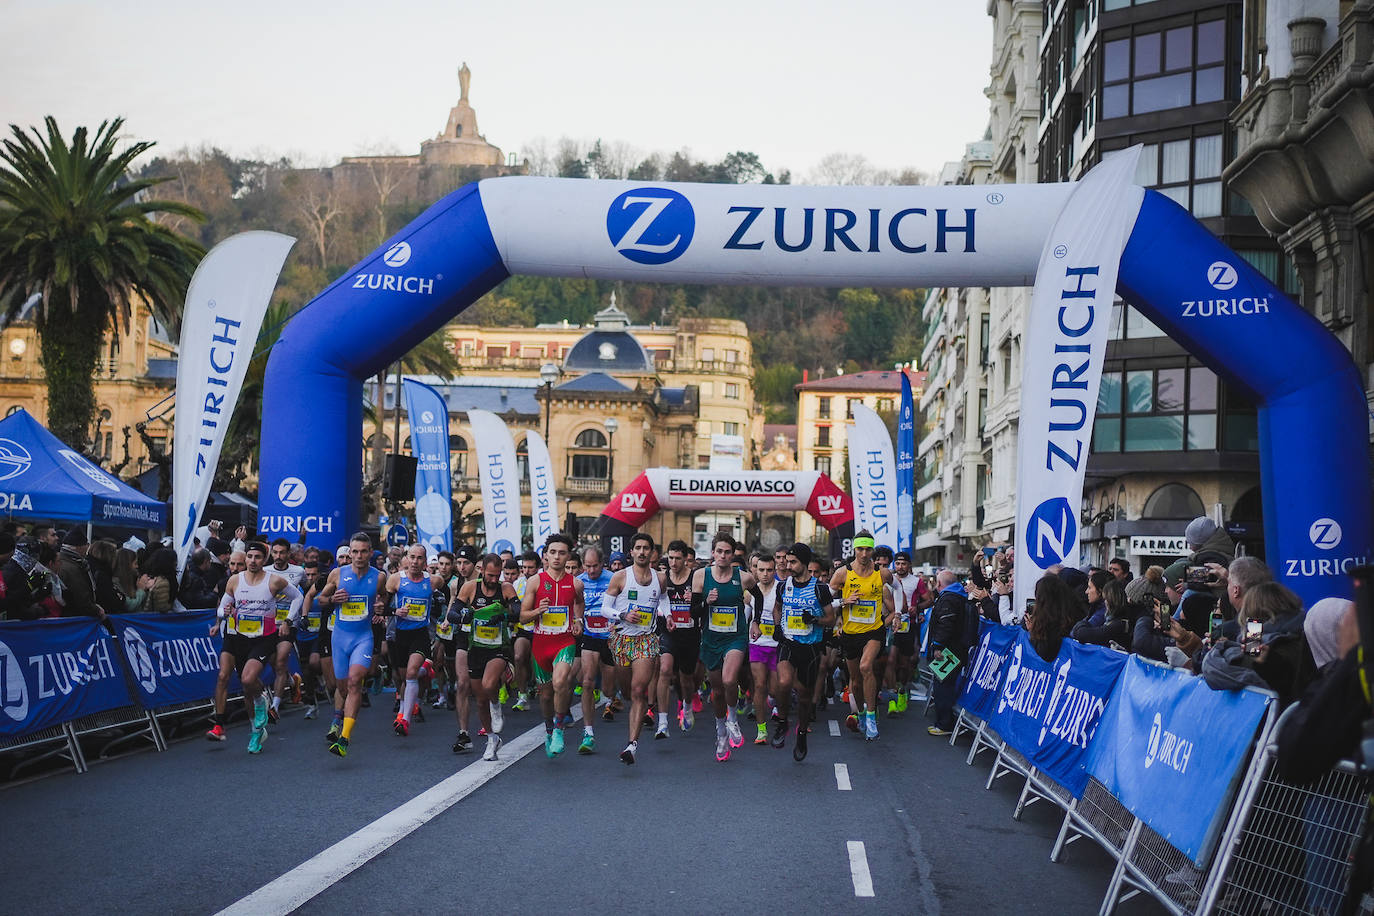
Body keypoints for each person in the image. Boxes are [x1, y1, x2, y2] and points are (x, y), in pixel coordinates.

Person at [207, 541, 302, 753]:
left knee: (248, 679)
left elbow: (298, 597)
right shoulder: (234, 580)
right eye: (249, 557)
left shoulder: (274, 581)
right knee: (246, 686)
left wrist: (287, 621)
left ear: (264, 560)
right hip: (239, 636)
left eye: (257, 557)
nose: (252, 561)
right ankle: (257, 729)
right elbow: (222, 609)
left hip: (264, 637)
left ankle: (261, 701)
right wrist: (226, 613)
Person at [693, 533, 763, 762]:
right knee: (717, 692)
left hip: (735, 638)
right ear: (712, 553)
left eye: (727, 552)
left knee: (729, 680)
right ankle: (721, 733)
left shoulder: (743, 578)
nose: (723, 556)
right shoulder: (700, 576)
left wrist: (755, 621)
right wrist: (706, 602)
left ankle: (733, 718)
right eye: (719, 551)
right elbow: (694, 612)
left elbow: (758, 598)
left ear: (732, 555)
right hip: (711, 639)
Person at [315, 532, 385, 758]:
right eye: (354, 551)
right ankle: (339, 716)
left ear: (370, 553)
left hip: (363, 637)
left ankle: (344, 738)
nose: (359, 556)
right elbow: (321, 600)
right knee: (342, 687)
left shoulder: (379, 576)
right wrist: (332, 600)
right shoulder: (337, 574)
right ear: (349, 553)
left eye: (364, 551)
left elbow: (384, 597)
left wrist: (382, 607)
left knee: (355, 682)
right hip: (340, 638)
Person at [518, 533, 584, 758]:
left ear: (568, 556)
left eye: (562, 553)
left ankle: (558, 729)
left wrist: (578, 621)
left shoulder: (576, 583)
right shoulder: (535, 581)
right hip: (541, 644)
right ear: (545, 556)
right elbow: (523, 617)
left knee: (560, 682)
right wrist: (538, 611)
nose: (557, 557)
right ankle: (548, 728)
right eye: (552, 552)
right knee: (545, 696)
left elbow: (579, 604)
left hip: (564, 642)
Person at [601, 532, 663, 764]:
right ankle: (627, 701)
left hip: (646, 640)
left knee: (638, 691)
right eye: (638, 547)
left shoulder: (660, 578)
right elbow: (604, 609)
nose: (642, 552)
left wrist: (668, 615)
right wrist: (623, 615)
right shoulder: (620, 577)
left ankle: (631, 745)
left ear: (652, 552)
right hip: (621, 640)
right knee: (627, 692)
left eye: (646, 548)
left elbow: (664, 599)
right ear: (631, 551)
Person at [771, 542, 835, 760]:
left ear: (805, 563)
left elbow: (831, 619)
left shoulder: (820, 588)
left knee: (806, 697)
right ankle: (782, 722)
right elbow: (777, 608)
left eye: (793, 562)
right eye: (787, 561)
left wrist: (815, 619)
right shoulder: (783, 585)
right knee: (783, 682)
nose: (788, 566)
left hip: (810, 647)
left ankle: (801, 733)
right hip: (788, 642)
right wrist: (778, 626)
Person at [830, 531, 895, 741]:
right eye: (860, 549)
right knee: (855, 682)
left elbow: (897, 590)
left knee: (866, 667)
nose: (864, 553)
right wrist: (843, 601)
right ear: (854, 549)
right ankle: (860, 714)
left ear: (872, 550)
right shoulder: (842, 573)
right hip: (850, 633)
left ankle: (871, 717)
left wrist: (898, 613)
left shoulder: (882, 574)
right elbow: (825, 602)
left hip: (874, 630)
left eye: (868, 549)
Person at [454, 553, 520, 760]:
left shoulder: (506, 588)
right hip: (476, 647)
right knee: (479, 701)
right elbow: (452, 614)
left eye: (497, 575)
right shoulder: (470, 588)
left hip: (499, 647)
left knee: (490, 684)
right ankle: (492, 739)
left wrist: (504, 615)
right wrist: (464, 615)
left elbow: (518, 611)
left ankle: (497, 705)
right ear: (482, 571)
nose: (493, 580)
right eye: (490, 575)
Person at [384, 544, 446, 737]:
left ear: (425, 562)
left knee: (410, 674)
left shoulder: (434, 581)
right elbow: (382, 608)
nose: (415, 561)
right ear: (406, 558)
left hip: (421, 634)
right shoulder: (395, 580)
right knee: (405, 678)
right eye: (412, 557)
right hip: (400, 634)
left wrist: (441, 617)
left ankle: (405, 720)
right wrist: (395, 611)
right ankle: (404, 709)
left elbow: (445, 600)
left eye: (420, 558)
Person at [657, 539, 702, 736]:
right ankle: (663, 721)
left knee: (686, 678)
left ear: (686, 559)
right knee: (665, 670)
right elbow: (655, 602)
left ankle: (687, 704)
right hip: (668, 631)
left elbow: (704, 606)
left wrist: (694, 602)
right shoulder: (661, 578)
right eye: (670, 558)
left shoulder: (695, 579)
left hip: (689, 633)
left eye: (677, 558)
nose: (673, 562)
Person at [575, 545, 616, 753]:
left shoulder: (613, 579)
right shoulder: (579, 581)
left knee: (608, 689)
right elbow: (576, 604)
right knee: (587, 681)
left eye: (596, 566)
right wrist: (578, 620)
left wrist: (616, 620)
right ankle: (588, 732)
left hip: (610, 637)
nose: (592, 571)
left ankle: (611, 697)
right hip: (590, 635)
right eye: (588, 566)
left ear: (603, 563)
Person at [926, 570, 969, 737]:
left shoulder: (948, 598)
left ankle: (944, 725)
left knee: (942, 686)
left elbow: (946, 624)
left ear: (939, 584)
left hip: (948, 651)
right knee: (945, 685)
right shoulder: (957, 596)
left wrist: (937, 646)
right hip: (955, 649)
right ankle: (944, 722)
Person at [747, 551, 781, 745]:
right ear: (756, 571)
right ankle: (761, 730)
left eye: (769, 570)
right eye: (761, 570)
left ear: (775, 570)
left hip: (777, 645)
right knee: (759, 684)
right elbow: (743, 614)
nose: (765, 574)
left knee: (776, 689)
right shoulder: (750, 592)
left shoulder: (781, 589)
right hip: (757, 644)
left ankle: (774, 702)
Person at [51, 527, 105, 620]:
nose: (88, 546)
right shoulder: (71, 568)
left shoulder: (72, 563)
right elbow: (80, 597)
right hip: (75, 619)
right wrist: (96, 610)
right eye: (86, 544)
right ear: (78, 547)